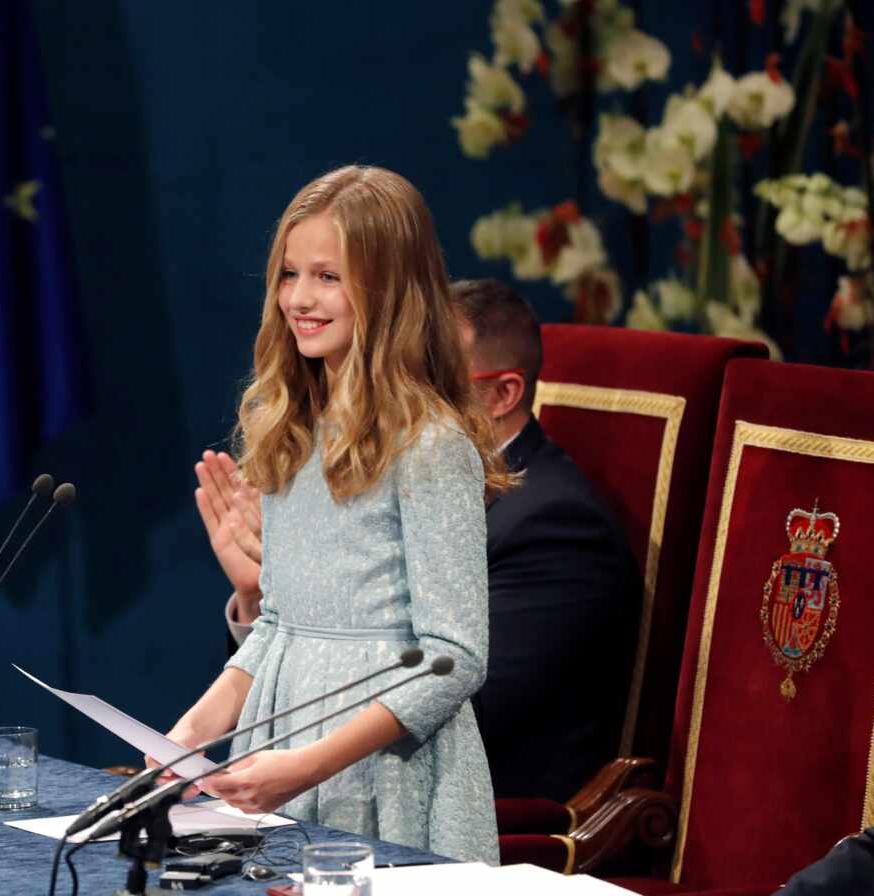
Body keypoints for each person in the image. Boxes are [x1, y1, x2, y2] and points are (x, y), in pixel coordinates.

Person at [162, 165, 506, 864]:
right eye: (289, 274)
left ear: (390, 291)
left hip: (386, 775)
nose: (299, 298)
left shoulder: (431, 446)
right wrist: (187, 736)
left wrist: (312, 764)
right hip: (281, 743)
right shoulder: (288, 430)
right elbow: (279, 624)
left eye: (328, 276)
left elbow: (455, 657)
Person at [199, 279, 639, 802]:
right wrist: (270, 596)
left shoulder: (555, 528)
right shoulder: (391, 478)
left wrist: (322, 599)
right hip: (339, 782)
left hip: (473, 813)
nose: (395, 390)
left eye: (424, 373)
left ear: (501, 395)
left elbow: (457, 704)